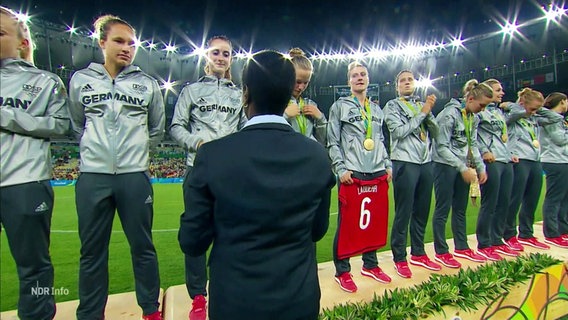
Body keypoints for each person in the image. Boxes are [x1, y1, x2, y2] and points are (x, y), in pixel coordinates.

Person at [178, 50, 335, 320]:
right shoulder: (317, 156)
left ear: (245, 93)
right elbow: (317, 230)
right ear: (289, 93)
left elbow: (192, 242)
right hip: (299, 301)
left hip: (235, 304)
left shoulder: (212, 156)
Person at [68, 14, 165, 320]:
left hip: (134, 177)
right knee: (92, 253)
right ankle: (90, 313)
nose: (126, 48)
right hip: (93, 177)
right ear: (102, 43)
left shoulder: (147, 84)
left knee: (143, 247)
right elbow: (76, 125)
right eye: (119, 41)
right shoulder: (81, 81)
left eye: (131, 43)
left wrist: (133, 155)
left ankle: (150, 310)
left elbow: (157, 129)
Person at [169, 35, 247, 320]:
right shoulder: (190, 91)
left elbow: (245, 129)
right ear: (207, 57)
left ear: (230, 60)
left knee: (232, 233)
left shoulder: (239, 94)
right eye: (216, 52)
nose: (220, 57)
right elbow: (176, 127)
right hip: (197, 169)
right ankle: (199, 296)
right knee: (197, 233)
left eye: (226, 54)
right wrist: (197, 143)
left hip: (230, 174)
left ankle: (228, 288)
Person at [0, 6, 69, 320]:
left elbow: (61, 125)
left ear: (22, 43)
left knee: (34, 269)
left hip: (24, 182)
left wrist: (8, 116)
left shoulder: (45, 81)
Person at [328, 61, 392, 293]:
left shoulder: (376, 109)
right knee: (346, 223)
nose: (359, 78)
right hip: (351, 173)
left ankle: (370, 265)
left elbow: (382, 140)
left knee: (373, 222)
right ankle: (342, 271)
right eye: (354, 75)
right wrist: (340, 168)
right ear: (349, 82)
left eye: (362, 74)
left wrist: (387, 164)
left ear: (368, 78)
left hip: (376, 170)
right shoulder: (339, 106)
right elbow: (332, 141)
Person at [384, 70, 444, 276]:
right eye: (403, 80)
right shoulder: (391, 106)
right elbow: (398, 132)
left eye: (410, 79)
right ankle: (399, 257)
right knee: (404, 212)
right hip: (404, 162)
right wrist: (423, 113)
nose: (407, 82)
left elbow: (436, 134)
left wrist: (427, 113)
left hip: (426, 162)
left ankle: (418, 253)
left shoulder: (421, 105)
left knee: (422, 210)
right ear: (397, 86)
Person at [432, 80, 491, 264]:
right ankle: (441, 252)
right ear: (471, 98)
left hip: (462, 167)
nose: (482, 109)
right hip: (444, 166)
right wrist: (463, 167)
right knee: (442, 209)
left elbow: (472, 143)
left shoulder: (473, 116)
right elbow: (441, 146)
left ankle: (462, 247)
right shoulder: (448, 115)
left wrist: (480, 167)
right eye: (481, 105)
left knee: (460, 208)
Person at [503, 88, 560, 251]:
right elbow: (511, 116)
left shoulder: (534, 117)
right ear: (522, 104)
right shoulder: (514, 116)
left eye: (537, 109)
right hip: (519, 160)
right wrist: (518, 107)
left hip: (535, 160)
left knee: (532, 199)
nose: (534, 112)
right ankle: (509, 234)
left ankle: (526, 234)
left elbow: (556, 118)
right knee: (515, 199)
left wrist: (538, 109)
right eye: (532, 108)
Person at [474, 79, 519, 261]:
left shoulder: (500, 112)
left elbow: (522, 112)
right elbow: (473, 135)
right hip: (491, 161)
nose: (502, 93)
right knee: (490, 203)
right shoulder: (479, 112)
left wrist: (510, 154)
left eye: (502, 90)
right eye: (498, 90)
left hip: (505, 159)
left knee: (504, 202)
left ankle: (497, 239)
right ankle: (484, 243)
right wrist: (484, 151)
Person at [533, 92, 568, 248]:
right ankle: (552, 233)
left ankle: (563, 230)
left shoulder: (559, 120)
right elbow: (559, 139)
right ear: (562, 102)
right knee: (554, 198)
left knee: (565, 198)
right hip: (554, 160)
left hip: (562, 160)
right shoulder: (551, 119)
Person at [284, 48, 327, 144]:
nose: (301, 87)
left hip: (309, 157)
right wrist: (284, 116)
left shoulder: (310, 105)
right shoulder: (275, 103)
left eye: (305, 83)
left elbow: (322, 141)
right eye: (298, 82)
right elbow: (267, 136)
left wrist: (321, 119)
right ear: (287, 77)